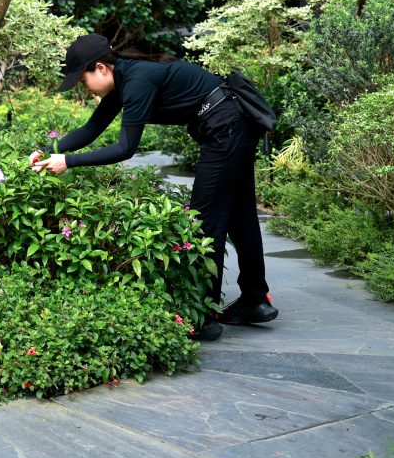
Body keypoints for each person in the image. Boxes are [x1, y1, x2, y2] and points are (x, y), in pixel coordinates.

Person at [30, 33, 277, 341]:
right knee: (241, 216)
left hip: (225, 128)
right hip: (233, 122)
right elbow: (91, 128)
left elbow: (125, 148)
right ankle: (254, 300)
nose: (84, 88)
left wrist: (68, 161)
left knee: (204, 222)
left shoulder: (137, 81)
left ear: (100, 68)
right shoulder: (124, 79)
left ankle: (202, 317)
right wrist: (47, 150)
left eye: (83, 81)